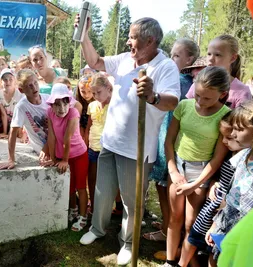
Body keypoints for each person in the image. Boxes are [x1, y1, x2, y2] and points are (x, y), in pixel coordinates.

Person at [76, 16, 181, 265]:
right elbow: (95, 61)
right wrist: (84, 35)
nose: (128, 40)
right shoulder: (124, 59)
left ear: (150, 40)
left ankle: (128, 242)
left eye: (133, 37)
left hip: (136, 150)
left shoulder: (165, 67)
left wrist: (153, 96)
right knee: (101, 192)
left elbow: (173, 101)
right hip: (110, 142)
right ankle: (97, 229)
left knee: (131, 201)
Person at [163, 66, 231, 267]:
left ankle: (184, 263)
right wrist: (173, 171)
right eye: (198, 95)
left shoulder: (225, 116)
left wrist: (197, 184)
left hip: (201, 173)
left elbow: (218, 157)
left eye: (208, 99)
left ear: (223, 94)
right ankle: (169, 261)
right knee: (174, 217)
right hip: (178, 167)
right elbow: (169, 141)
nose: (200, 102)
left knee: (190, 222)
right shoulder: (184, 106)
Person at [144, 39, 199, 243]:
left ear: (189, 59)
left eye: (177, 55)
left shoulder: (182, 83)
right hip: (167, 138)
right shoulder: (184, 81)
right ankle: (168, 226)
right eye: (171, 54)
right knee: (164, 187)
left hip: (170, 140)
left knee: (165, 186)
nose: (171, 58)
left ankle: (168, 232)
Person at [177, 111, 242, 267]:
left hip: (225, 210)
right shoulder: (229, 155)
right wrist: (214, 182)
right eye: (223, 137)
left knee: (214, 247)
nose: (224, 141)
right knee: (194, 235)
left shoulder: (244, 159)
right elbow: (218, 174)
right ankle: (182, 263)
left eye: (229, 138)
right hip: (212, 204)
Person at [205, 100, 253, 267]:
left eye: (239, 129)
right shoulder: (243, 155)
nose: (233, 134)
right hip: (226, 223)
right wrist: (215, 225)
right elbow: (230, 195)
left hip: (245, 234)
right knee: (215, 259)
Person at [46, 83, 89, 231]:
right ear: (51, 105)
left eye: (65, 104)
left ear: (69, 103)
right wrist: (53, 158)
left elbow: (67, 138)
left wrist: (64, 160)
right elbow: (51, 136)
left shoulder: (73, 113)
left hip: (79, 154)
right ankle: (73, 210)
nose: (61, 109)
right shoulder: (50, 113)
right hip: (63, 155)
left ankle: (83, 216)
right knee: (69, 187)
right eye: (57, 105)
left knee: (81, 186)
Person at [0, 69, 50, 170]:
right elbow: (13, 132)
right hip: (42, 151)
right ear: (21, 90)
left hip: (54, 145)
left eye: (35, 83)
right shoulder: (22, 107)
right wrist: (11, 159)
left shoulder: (48, 100)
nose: (34, 87)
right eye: (29, 86)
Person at [186, 35, 252, 108]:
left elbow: (242, 118)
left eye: (217, 55)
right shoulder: (198, 84)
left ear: (233, 58)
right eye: (209, 54)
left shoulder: (242, 91)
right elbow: (187, 110)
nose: (210, 59)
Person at [84, 73, 112, 214]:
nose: (96, 96)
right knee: (92, 178)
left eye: (99, 92)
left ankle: (106, 208)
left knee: (107, 181)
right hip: (92, 147)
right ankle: (94, 205)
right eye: (93, 93)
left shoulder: (114, 105)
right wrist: (86, 142)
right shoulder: (92, 106)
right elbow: (89, 126)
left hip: (108, 148)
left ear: (108, 88)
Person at [0, 68, 23, 139]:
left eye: (11, 79)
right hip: (9, 122)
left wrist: (18, 131)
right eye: (5, 79)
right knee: (10, 134)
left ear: (15, 81)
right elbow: (3, 114)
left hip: (20, 121)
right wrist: (4, 132)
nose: (8, 82)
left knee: (18, 135)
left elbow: (21, 115)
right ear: (1, 81)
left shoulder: (20, 94)